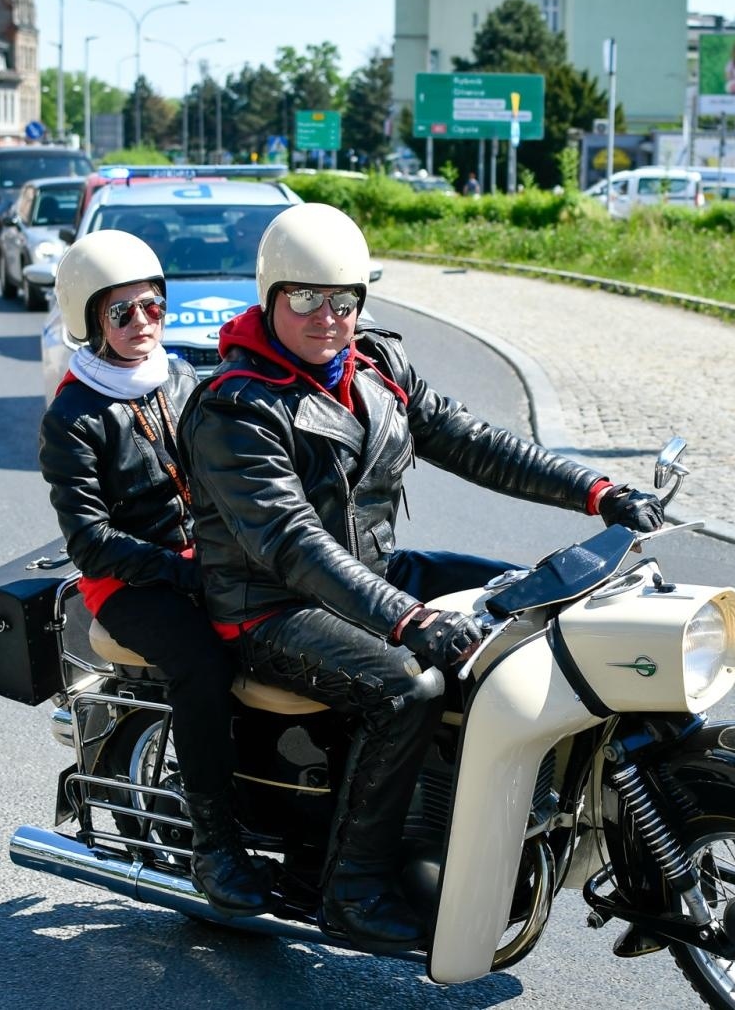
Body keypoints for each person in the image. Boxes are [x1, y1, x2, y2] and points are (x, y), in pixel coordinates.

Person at [179, 203, 665, 952]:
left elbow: (475, 441)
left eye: (344, 299)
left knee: (527, 607)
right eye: (305, 298)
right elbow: (293, 543)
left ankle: (487, 819)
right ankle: (354, 888)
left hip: (367, 576)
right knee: (406, 687)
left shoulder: (376, 366)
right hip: (268, 606)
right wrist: (408, 618)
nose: (327, 317)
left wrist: (596, 489)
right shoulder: (235, 409)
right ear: (270, 296)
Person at [38, 229, 272, 918]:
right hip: (129, 583)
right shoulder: (74, 415)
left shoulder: (181, 377)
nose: (144, 324)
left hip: (206, 560)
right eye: (123, 312)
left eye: (154, 308)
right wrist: (182, 571)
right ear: (89, 319)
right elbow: (90, 540)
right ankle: (214, 844)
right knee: (203, 663)